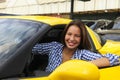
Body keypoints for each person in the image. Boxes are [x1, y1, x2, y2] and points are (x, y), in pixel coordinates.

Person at [32, 20, 120, 73]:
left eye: (77, 36)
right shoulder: (54, 47)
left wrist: (82, 65)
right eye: (69, 34)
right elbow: (30, 48)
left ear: (82, 38)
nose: (71, 39)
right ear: (64, 35)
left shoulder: (82, 54)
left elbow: (116, 59)